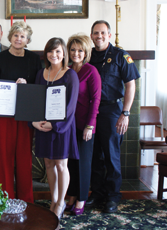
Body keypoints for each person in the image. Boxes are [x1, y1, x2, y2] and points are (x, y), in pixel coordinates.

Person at [86, 20, 140, 213]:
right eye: (95, 33)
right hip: (92, 111)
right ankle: (97, 193)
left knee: (111, 155)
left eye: (102, 33)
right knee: (94, 156)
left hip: (112, 111)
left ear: (109, 35)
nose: (99, 36)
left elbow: (130, 84)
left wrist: (125, 113)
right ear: (91, 36)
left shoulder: (120, 56)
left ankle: (113, 196)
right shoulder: (87, 55)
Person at [0, 21, 42, 203]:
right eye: (16, 35)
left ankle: (26, 199)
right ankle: (5, 198)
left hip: (26, 113)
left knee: (24, 157)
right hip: (4, 115)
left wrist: (26, 87)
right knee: (5, 156)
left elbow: (38, 87)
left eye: (23, 36)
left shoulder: (34, 60)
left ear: (27, 40)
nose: (19, 39)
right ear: (10, 36)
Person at [32, 37, 79, 218]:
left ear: (64, 54)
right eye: (51, 51)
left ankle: (61, 203)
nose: (54, 54)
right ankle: (53, 199)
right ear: (46, 54)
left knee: (61, 165)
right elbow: (36, 101)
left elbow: (71, 106)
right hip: (43, 126)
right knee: (49, 164)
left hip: (62, 128)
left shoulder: (70, 75)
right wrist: (35, 122)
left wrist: (56, 125)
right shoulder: (40, 73)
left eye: (58, 51)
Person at [65, 34, 101, 216]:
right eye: (73, 50)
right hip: (68, 125)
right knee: (71, 163)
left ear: (86, 51)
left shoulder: (91, 71)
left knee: (83, 163)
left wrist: (90, 126)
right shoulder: (68, 70)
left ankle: (81, 198)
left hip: (85, 124)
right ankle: (71, 195)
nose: (76, 53)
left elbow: (96, 100)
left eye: (80, 50)